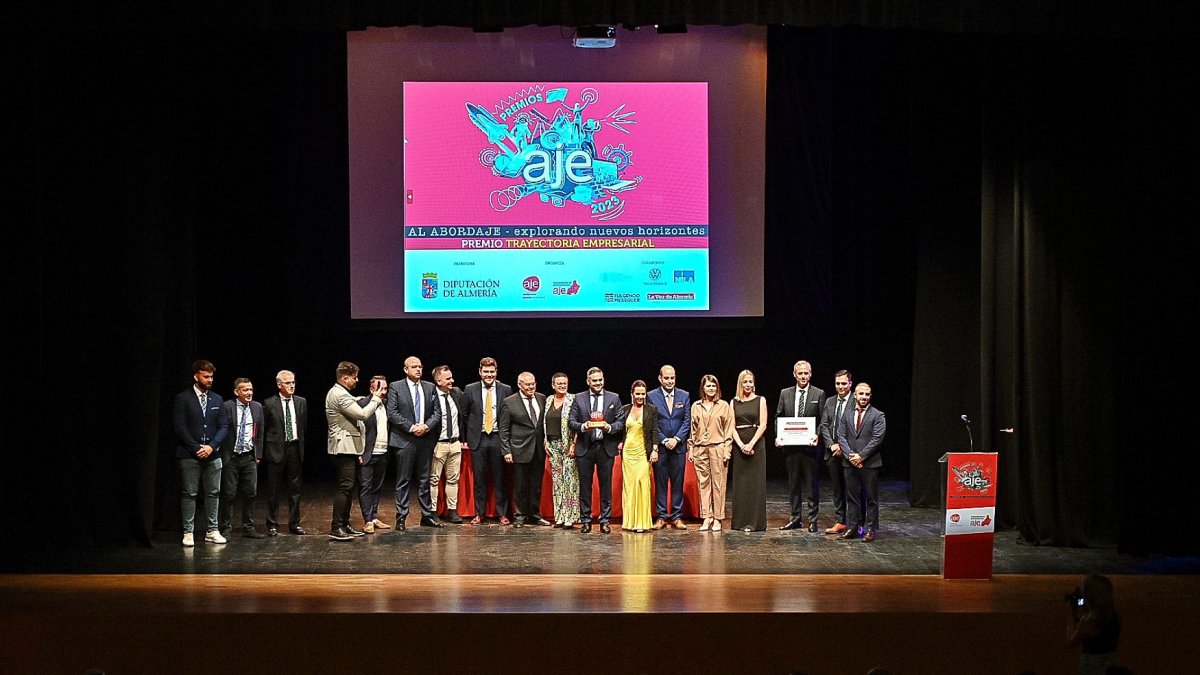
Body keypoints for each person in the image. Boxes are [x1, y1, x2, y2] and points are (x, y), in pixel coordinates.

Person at [325, 361, 384, 541]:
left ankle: (344, 524)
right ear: (344, 378)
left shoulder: (342, 393)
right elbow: (362, 414)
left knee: (349, 488)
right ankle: (337, 527)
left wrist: (359, 399)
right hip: (343, 447)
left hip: (349, 447)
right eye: (354, 377)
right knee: (345, 487)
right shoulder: (339, 394)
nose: (357, 380)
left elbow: (352, 403)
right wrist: (376, 398)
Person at [173, 360, 230, 547]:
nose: (210, 380)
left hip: (213, 454)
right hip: (190, 454)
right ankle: (188, 532)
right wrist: (196, 447)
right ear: (196, 376)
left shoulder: (217, 399)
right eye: (206, 376)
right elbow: (180, 427)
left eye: (211, 377)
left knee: (213, 492)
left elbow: (224, 426)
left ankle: (212, 530)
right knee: (190, 493)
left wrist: (212, 446)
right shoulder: (183, 398)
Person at [387, 356, 443, 529]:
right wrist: (412, 427)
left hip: (425, 440)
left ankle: (427, 515)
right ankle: (401, 517)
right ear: (406, 369)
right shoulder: (396, 387)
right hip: (405, 440)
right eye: (414, 367)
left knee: (424, 480)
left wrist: (426, 426)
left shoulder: (430, 387)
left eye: (420, 366)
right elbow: (392, 413)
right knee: (403, 480)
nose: (418, 369)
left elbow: (437, 413)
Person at [569, 367, 626, 534]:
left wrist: (609, 427)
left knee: (605, 487)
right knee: (585, 487)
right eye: (594, 380)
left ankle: (605, 521)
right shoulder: (578, 398)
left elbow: (620, 422)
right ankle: (586, 520)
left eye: (600, 380)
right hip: (585, 448)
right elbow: (571, 421)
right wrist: (583, 426)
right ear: (588, 381)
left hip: (605, 448)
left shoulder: (614, 398)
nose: (598, 383)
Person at [774, 360, 825, 532]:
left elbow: (823, 419)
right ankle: (795, 518)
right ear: (794, 374)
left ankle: (812, 520)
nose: (803, 376)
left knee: (812, 485)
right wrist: (778, 436)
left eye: (806, 373)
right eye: (800, 373)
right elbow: (779, 416)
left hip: (810, 448)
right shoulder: (785, 393)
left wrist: (817, 435)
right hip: (791, 447)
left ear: (810, 374)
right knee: (793, 484)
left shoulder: (819, 394)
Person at [462, 357, 513, 525]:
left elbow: (509, 416)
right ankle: (479, 513)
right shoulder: (470, 389)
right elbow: (465, 414)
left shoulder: (506, 389)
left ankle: (502, 513)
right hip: (479, 439)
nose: (489, 375)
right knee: (479, 478)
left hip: (498, 438)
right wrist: (468, 435)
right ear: (480, 372)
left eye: (492, 372)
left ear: (496, 372)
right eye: (486, 372)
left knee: (500, 478)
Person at [836, 382, 886, 542]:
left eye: (867, 394)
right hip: (850, 463)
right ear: (855, 395)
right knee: (852, 497)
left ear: (870, 396)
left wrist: (861, 456)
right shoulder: (847, 414)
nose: (864, 397)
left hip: (869, 463)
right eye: (861, 394)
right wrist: (851, 455)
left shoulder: (878, 415)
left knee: (871, 498)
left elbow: (877, 439)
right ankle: (853, 527)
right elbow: (841, 436)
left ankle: (870, 529)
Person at [261, 369, 308, 536]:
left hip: (294, 448)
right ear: (279, 385)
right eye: (288, 383)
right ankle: (272, 524)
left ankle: (294, 523)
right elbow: (265, 429)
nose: (292, 385)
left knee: (295, 489)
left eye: (293, 382)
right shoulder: (269, 403)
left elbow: (303, 426)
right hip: (276, 450)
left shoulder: (301, 402)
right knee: (274, 490)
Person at [218, 378, 265, 539]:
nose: (249, 393)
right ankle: (225, 528)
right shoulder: (227, 406)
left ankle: (248, 527)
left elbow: (260, 433)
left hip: (249, 456)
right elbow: (221, 430)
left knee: (251, 493)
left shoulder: (257, 407)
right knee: (229, 494)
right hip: (231, 457)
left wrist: (258, 455)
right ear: (236, 392)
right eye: (245, 390)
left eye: (251, 389)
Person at [498, 372, 547, 527]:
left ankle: (535, 514)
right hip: (519, 449)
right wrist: (506, 450)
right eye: (528, 384)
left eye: (533, 383)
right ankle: (520, 515)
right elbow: (504, 429)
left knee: (536, 485)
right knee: (520, 485)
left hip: (538, 449)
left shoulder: (542, 398)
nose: (531, 387)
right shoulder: (509, 402)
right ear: (520, 385)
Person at [647, 365, 691, 530]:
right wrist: (665, 440)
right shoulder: (651, 396)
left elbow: (687, 421)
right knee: (661, 482)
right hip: (661, 447)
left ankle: (677, 517)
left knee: (678, 483)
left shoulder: (684, 395)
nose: (670, 381)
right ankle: (661, 516)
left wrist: (677, 439)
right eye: (666, 378)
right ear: (660, 378)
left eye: (672, 378)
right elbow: (651, 422)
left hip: (678, 447)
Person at [688, 374, 733, 532]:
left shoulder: (724, 405)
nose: (711, 388)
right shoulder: (696, 406)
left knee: (718, 484)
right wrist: (691, 448)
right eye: (708, 386)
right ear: (703, 388)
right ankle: (706, 517)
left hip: (717, 447)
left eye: (714, 386)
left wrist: (727, 449)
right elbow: (693, 429)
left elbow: (728, 429)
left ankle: (718, 518)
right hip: (700, 448)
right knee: (703, 484)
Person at [730, 370, 768, 532]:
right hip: (739, 445)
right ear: (740, 383)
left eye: (750, 382)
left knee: (755, 484)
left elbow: (763, 424)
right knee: (741, 484)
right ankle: (739, 522)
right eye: (745, 382)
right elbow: (731, 427)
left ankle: (755, 523)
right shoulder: (733, 402)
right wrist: (741, 445)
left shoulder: (761, 400)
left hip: (756, 444)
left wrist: (751, 444)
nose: (748, 385)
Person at [542, 372, 581, 528]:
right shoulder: (548, 400)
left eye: (565, 383)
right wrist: (545, 442)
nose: (563, 386)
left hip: (568, 445)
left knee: (570, 480)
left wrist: (574, 444)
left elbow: (577, 423)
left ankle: (570, 517)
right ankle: (559, 516)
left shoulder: (573, 399)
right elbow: (544, 423)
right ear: (553, 385)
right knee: (557, 482)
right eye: (559, 383)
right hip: (552, 445)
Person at [620, 380, 659, 533]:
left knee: (643, 483)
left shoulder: (651, 410)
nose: (640, 396)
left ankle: (642, 523)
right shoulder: (625, 409)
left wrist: (655, 449)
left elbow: (654, 431)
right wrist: (619, 443)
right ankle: (630, 522)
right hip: (628, 453)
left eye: (643, 394)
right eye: (637, 394)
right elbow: (621, 430)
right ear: (632, 394)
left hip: (643, 452)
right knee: (630, 487)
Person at [430, 365, 467, 524]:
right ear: (438, 381)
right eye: (448, 378)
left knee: (453, 479)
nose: (452, 380)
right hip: (439, 444)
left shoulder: (456, 393)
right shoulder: (431, 396)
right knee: (433, 480)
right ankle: (432, 512)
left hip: (455, 443)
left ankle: (452, 511)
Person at [818, 370, 853, 534]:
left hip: (849, 453)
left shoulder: (855, 401)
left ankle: (856, 522)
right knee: (837, 489)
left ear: (850, 383)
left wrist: (842, 446)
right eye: (838, 383)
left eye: (844, 383)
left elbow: (856, 428)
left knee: (852, 489)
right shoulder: (830, 401)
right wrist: (831, 445)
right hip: (832, 452)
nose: (840, 387)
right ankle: (840, 521)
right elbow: (824, 425)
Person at [356, 375, 391, 533]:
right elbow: (357, 430)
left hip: (382, 452)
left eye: (385, 388)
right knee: (365, 486)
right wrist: (358, 452)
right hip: (367, 453)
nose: (384, 391)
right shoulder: (362, 404)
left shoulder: (387, 404)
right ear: (372, 389)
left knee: (377, 487)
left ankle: (374, 516)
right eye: (380, 388)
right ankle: (368, 520)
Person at [1067, 573, 1121, 675]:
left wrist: (1070, 614)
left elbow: (1071, 643)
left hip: (1090, 668)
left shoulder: (1087, 622)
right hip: (1111, 665)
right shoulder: (1115, 614)